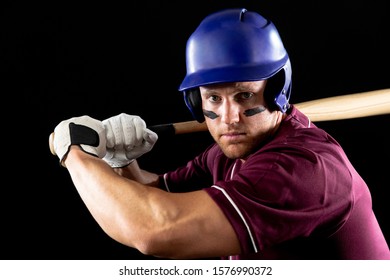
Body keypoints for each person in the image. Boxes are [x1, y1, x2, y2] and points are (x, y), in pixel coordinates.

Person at [52, 8, 390, 259]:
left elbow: (156, 230)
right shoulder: (235, 149)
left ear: (276, 90)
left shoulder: (303, 169)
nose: (228, 118)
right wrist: (123, 162)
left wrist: (76, 154)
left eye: (244, 95)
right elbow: (150, 195)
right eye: (214, 98)